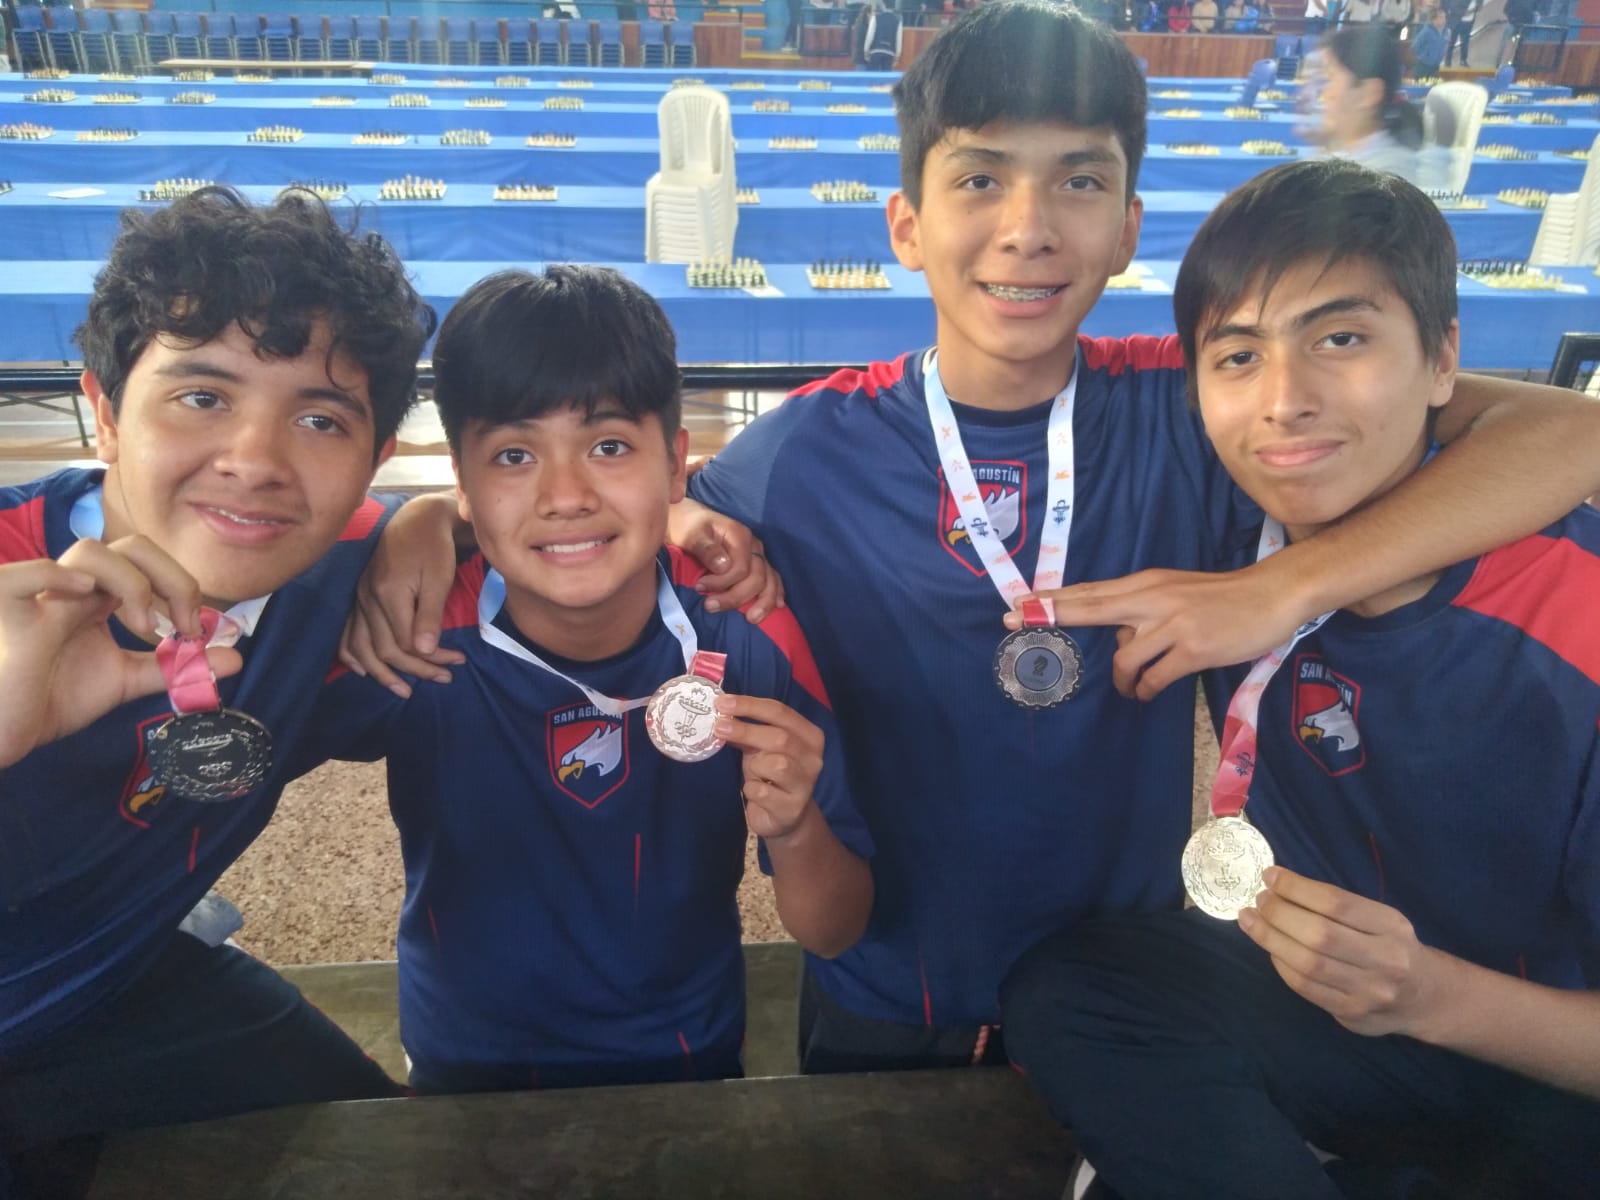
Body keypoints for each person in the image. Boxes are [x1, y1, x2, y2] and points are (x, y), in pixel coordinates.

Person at [354, 0, 1600, 1079]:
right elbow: (596, 506)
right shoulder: (804, 451)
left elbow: (1571, 435)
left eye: (1079, 181)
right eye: (981, 179)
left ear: (1128, 224)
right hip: (881, 985)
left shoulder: (1196, 405)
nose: (1028, 227)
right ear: (906, 223)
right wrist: (433, 513)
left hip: (1126, 987)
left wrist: (1281, 588)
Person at [1001, 158, 1600, 1200]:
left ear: (1443, 358)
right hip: (1324, 1018)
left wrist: (1430, 997)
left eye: (1341, 339)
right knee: (1072, 992)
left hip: (1535, 1057)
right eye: (1239, 356)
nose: (1285, 402)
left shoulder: (1570, 621)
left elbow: (1579, 430)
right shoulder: (1224, 521)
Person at [297, 267, 874, 1094]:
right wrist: (411, 518)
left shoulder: (749, 634)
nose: (565, 496)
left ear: (675, 465)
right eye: (514, 455)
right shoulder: (409, 628)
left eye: (608, 447)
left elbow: (836, 930)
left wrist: (796, 828)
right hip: (463, 1056)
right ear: (461, 481)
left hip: (687, 1050)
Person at [0, 187, 436, 1173]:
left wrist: (431, 519)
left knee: (403, 1159)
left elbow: (577, 542)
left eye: (320, 419)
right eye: (202, 397)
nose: (256, 461)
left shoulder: (341, 582)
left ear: (375, 459)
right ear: (105, 414)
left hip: (121, 982)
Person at [1308, 26, 1425, 182]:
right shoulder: (1331, 157)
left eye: (1330, 78)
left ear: (1369, 94)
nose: (1324, 94)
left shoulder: (1386, 178)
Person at [863, 0, 903, 68]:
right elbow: (899, 40)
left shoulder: (876, 17)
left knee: (872, 73)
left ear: (883, 4)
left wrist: (866, 51)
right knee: (886, 74)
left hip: (875, 51)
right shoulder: (898, 20)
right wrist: (897, 56)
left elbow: (870, 36)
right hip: (890, 53)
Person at [1411, 4, 1448, 72]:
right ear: (1434, 19)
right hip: (1423, 67)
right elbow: (1415, 46)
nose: (1444, 20)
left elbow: (1444, 46)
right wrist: (1424, 58)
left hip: (1436, 66)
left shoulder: (1445, 32)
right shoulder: (1426, 31)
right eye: (1441, 17)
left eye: (1444, 17)